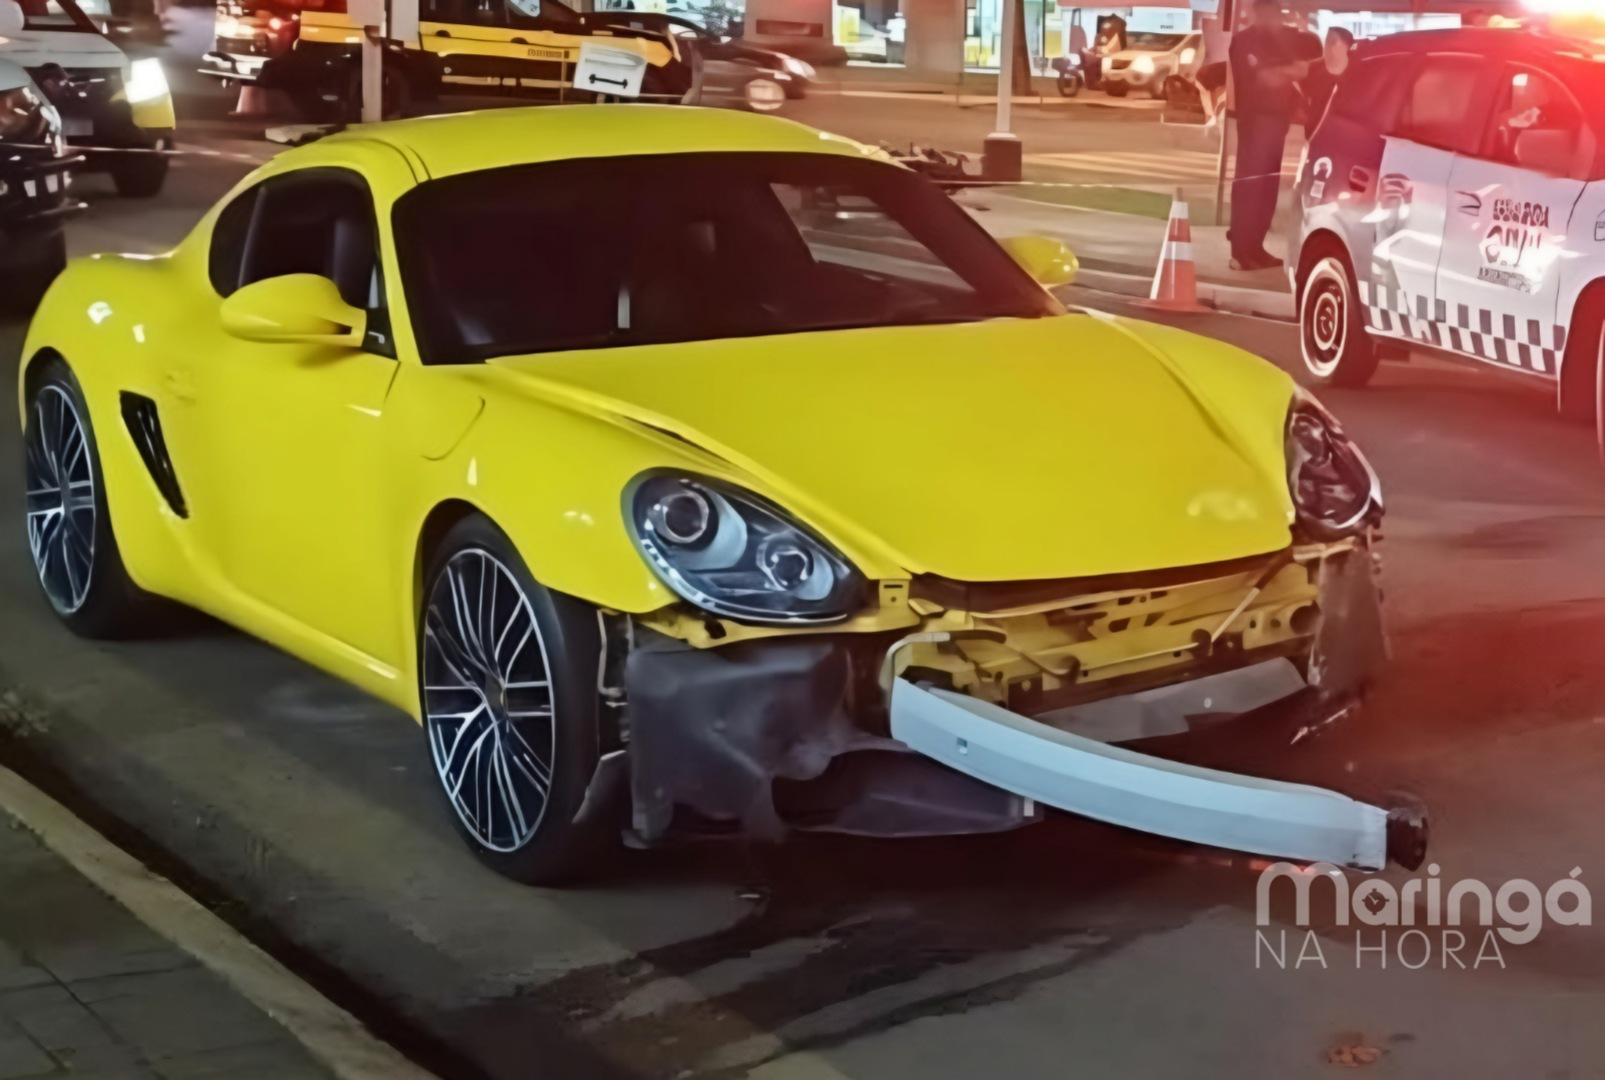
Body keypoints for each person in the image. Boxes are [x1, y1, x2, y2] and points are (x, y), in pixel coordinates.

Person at [1227, 0, 1308, 271]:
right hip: (1256, 122)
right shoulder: (1245, 41)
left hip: (1276, 121)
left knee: (1267, 188)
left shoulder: (1277, 40)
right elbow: (1265, 78)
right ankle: (1241, 250)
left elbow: (1297, 70)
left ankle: (1255, 247)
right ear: (1258, 12)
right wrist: (1291, 71)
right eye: (1272, 13)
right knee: (1251, 186)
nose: (1277, 19)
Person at [1300, 27, 1353, 136]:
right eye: (1327, 42)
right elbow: (1304, 94)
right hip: (1315, 131)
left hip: (1344, 132)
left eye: (1333, 42)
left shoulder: (1357, 72)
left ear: (1346, 47)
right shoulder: (1313, 69)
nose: (1328, 47)